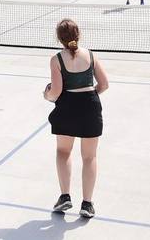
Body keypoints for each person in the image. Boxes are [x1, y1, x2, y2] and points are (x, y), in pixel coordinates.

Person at [44, 19, 108, 219]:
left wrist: (46, 95)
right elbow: (104, 84)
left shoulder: (56, 59)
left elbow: (56, 91)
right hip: (90, 106)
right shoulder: (90, 55)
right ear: (78, 34)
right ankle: (87, 204)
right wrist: (90, 96)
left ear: (59, 38)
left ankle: (65, 197)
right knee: (89, 157)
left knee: (63, 152)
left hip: (67, 108)